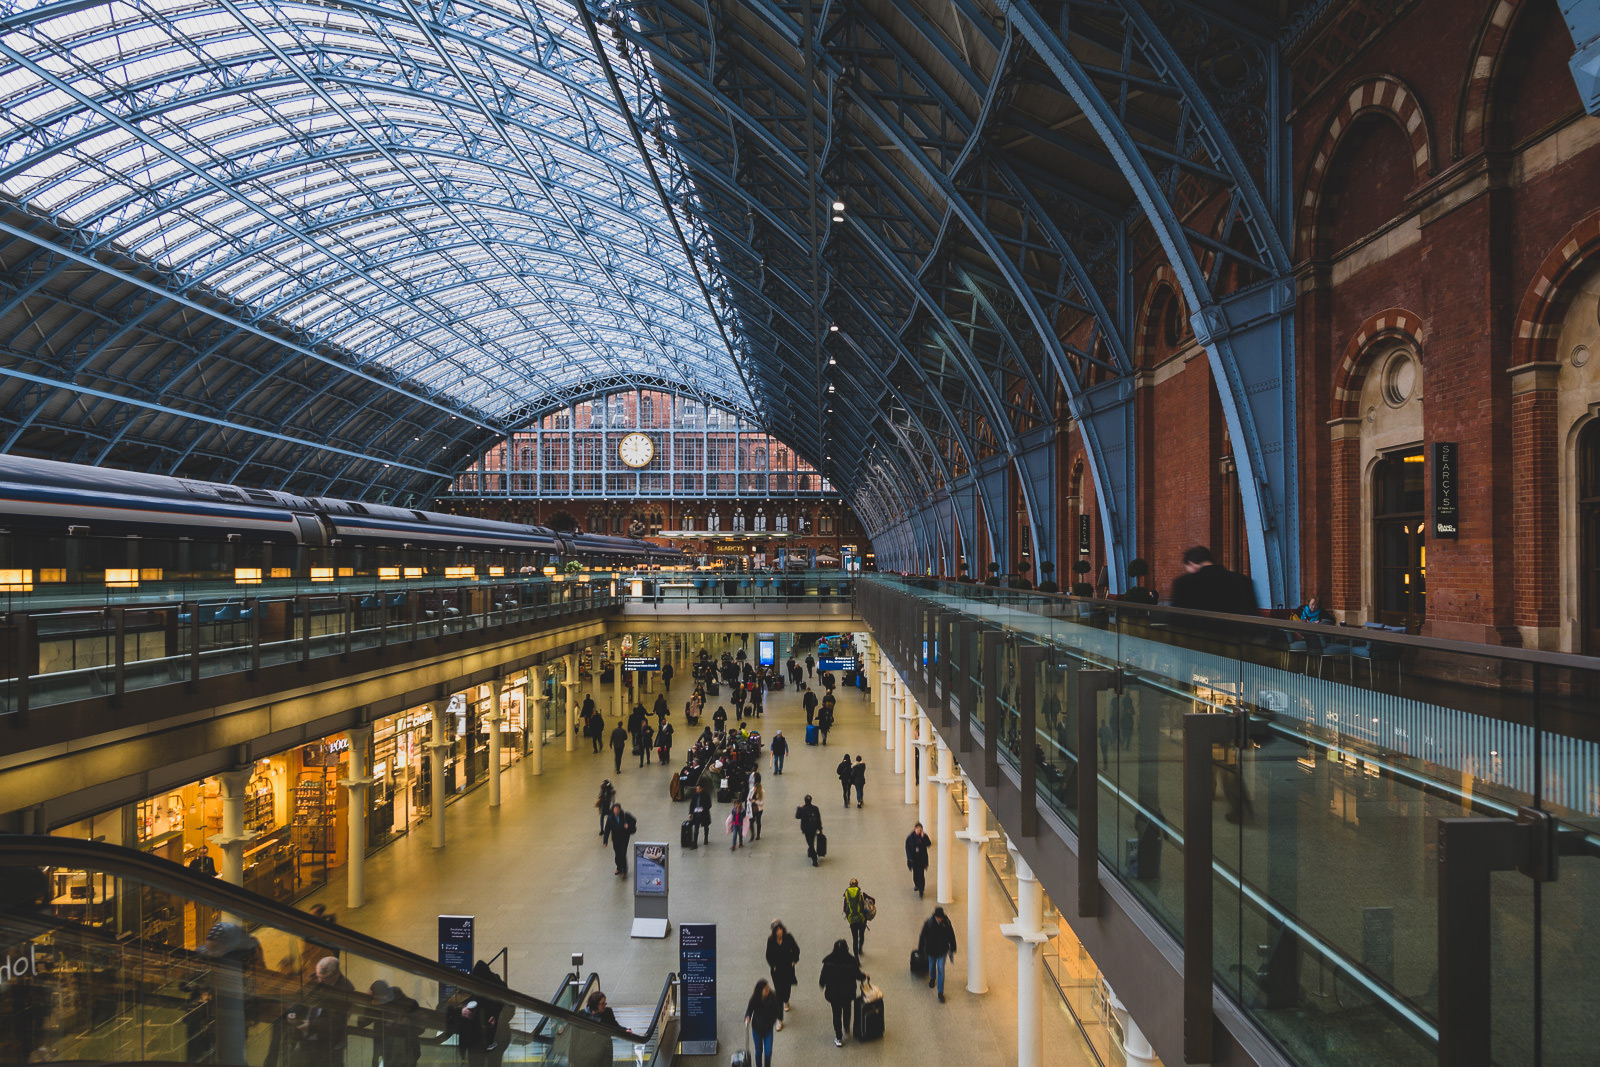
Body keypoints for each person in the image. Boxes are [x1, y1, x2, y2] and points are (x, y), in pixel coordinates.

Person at [292, 956, 353, 1067]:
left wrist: (312, 1025)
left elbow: (338, 1020)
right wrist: (293, 1014)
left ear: (336, 973)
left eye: (324, 979)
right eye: (318, 977)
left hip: (329, 1044)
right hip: (305, 1040)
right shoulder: (315, 979)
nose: (320, 981)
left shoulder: (346, 989)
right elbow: (300, 999)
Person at [1170, 545, 1258, 615]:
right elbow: (1252, 613)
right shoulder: (1242, 580)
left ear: (1191, 564)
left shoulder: (1184, 583)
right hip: (1235, 636)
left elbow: (1176, 618)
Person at [362, 980, 423, 1067]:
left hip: (405, 1051)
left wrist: (408, 1023)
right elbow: (362, 1023)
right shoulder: (379, 1005)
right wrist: (367, 1002)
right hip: (389, 1052)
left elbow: (421, 1029)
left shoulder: (409, 1004)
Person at [817, 939, 865, 1047]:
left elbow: (823, 977)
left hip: (834, 995)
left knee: (836, 1014)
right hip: (847, 993)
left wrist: (822, 984)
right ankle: (847, 1029)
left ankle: (838, 1037)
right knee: (847, 1010)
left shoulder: (828, 962)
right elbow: (858, 975)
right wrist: (865, 976)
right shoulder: (851, 962)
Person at [917, 907, 958, 1003]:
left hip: (942, 951)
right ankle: (932, 978)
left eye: (941, 917)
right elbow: (922, 935)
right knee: (931, 966)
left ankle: (940, 993)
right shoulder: (929, 923)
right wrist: (920, 948)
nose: (939, 919)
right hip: (931, 951)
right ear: (935, 916)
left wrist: (953, 947)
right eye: (938, 917)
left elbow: (951, 935)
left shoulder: (946, 923)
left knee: (941, 970)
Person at [765, 921, 800, 1019]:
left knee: (787, 989)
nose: (779, 932)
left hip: (788, 968)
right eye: (777, 930)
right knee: (778, 994)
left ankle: (786, 1000)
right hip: (777, 971)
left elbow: (796, 949)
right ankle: (780, 1019)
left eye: (780, 929)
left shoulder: (788, 937)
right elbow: (768, 955)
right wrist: (773, 965)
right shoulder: (771, 940)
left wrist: (794, 960)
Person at [744, 978, 782, 1066]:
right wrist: (747, 1016)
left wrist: (772, 1022)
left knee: (768, 1052)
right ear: (760, 990)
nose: (768, 990)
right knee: (758, 1051)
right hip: (756, 1029)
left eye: (768, 988)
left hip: (768, 1030)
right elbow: (749, 1010)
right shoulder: (754, 998)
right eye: (766, 989)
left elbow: (777, 1011)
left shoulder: (772, 996)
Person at [603, 803, 637, 876]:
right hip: (615, 839)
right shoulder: (610, 818)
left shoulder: (625, 815)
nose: (616, 811)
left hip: (624, 838)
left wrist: (628, 826)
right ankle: (619, 867)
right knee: (617, 854)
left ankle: (624, 871)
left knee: (622, 854)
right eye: (614, 809)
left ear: (620, 810)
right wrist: (605, 841)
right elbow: (607, 829)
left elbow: (634, 820)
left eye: (617, 809)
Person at [842, 878, 871, 956]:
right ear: (857, 885)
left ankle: (856, 959)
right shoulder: (862, 894)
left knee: (855, 939)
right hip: (862, 919)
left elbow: (845, 909)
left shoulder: (847, 895)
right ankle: (860, 949)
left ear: (849, 885)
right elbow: (873, 900)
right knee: (861, 935)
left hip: (853, 921)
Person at [795, 794, 823, 867]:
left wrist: (798, 808)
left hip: (806, 829)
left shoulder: (803, 809)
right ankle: (810, 852)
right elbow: (818, 819)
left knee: (810, 843)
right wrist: (820, 828)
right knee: (811, 841)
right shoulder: (815, 808)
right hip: (814, 828)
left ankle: (814, 859)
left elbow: (797, 816)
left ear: (805, 801)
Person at [905, 823, 931, 897]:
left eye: (920, 830)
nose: (919, 831)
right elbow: (907, 849)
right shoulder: (910, 838)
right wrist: (909, 858)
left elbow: (928, 844)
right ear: (915, 829)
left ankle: (921, 890)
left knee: (921, 875)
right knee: (915, 874)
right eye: (918, 829)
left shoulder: (924, 836)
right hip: (914, 860)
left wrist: (923, 838)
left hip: (921, 860)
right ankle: (916, 884)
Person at [749, 772, 765, 841]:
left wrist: (754, 801)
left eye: (755, 787)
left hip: (759, 809)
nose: (754, 789)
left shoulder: (762, 792)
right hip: (751, 808)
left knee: (758, 822)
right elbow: (749, 797)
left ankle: (758, 835)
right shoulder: (752, 790)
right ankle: (752, 834)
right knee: (751, 822)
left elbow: (762, 803)